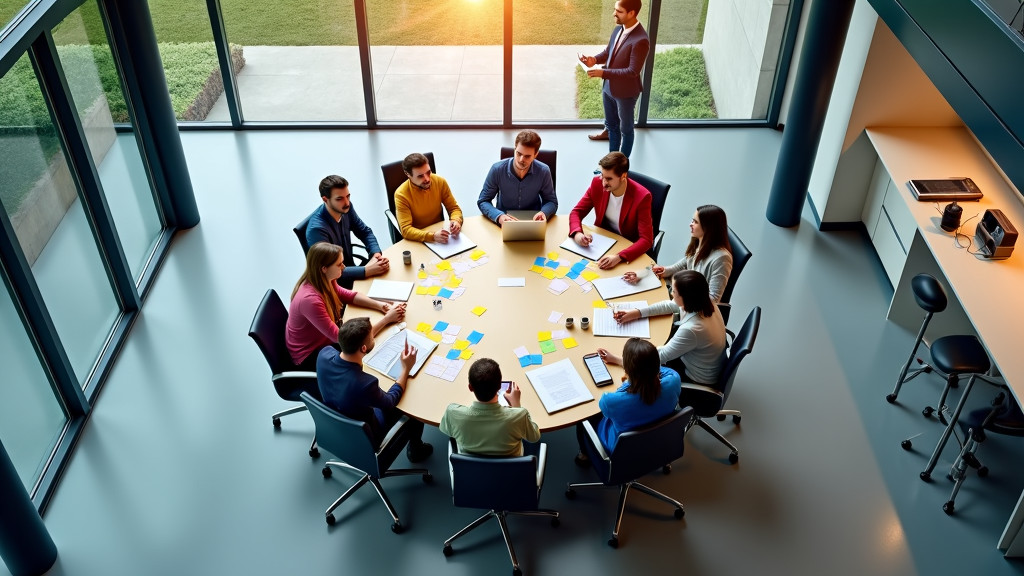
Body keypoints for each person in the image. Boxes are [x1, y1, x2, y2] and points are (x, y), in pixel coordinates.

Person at [317, 317, 432, 462]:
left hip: (337, 423)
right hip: (367, 434)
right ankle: (416, 450)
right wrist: (405, 368)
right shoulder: (364, 384)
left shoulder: (324, 354)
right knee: (410, 408)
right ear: (363, 349)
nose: (373, 338)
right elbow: (390, 401)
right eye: (372, 337)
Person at [285, 242, 405, 370]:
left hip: (326, 340)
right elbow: (346, 341)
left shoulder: (324, 279)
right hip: (311, 355)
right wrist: (387, 319)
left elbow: (348, 295)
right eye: (339, 264)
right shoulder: (309, 301)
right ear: (324, 268)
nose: (344, 267)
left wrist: (382, 306)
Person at [575, 338, 681, 465]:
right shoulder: (674, 381)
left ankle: (584, 456)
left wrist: (627, 382)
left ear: (628, 371)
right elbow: (656, 370)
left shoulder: (612, 401)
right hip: (657, 442)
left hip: (622, 453)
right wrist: (619, 361)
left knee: (586, 417)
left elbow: (605, 404)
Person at [612, 270, 726, 384]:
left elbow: (658, 357)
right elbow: (670, 305)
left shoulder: (693, 329)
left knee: (641, 376)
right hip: (698, 358)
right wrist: (637, 313)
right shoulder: (703, 300)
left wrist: (620, 360)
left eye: (674, 292)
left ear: (686, 298)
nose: (671, 293)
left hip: (695, 377)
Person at [579, 0, 650, 158]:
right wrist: (593, 60)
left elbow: (632, 71)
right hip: (608, 89)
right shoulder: (619, 28)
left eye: (619, 11)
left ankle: (621, 169)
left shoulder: (641, 40)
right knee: (612, 126)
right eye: (614, 9)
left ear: (632, 13)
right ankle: (610, 165)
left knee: (626, 131)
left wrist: (603, 73)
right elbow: (608, 52)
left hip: (625, 93)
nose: (614, 14)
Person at [624, 204, 733, 303]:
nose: (690, 224)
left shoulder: (722, 258)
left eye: (695, 222)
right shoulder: (699, 242)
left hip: (691, 308)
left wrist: (680, 296)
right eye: (692, 220)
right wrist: (661, 271)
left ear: (708, 227)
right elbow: (684, 264)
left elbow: (713, 298)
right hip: (680, 296)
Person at [439, 358, 541, 457]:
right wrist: (516, 405)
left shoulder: (453, 413)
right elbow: (534, 437)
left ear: (470, 387)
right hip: (509, 470)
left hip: (471, 470)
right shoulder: (519, 415)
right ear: (499, 386)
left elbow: (447, 430)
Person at [568, 152, 654, 269]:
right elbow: (576, 212)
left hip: (626, 246)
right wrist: (577, 233)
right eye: (602, 175)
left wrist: (619, 257)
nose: (603, 182)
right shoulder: (597, 184)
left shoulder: (642, 196)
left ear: (623, 176)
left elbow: (647, 240)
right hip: (602, 243)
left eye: (609, 179)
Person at [307, 174, 389, 289]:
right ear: (325, 199)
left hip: (352, 271)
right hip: (337, 284)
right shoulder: (316, 230)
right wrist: (366, 270)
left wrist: (376, 254)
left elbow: (365, 232)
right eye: (339, 199)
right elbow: (329, 271)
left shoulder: (346, 209)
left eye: (348, 196)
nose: (347, 203)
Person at [476, 130, 557, 226]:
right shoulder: (497, 169)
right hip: (504, 221)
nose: (521, 159)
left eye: (527, 156)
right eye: (518, 153)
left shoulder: (543, 171)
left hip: (533, 222)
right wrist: (499, 216)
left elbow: (551, 202)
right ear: (514, 149)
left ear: (535, 155)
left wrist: (544, 213)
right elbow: (483, 201)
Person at [394, 153, 464, 244]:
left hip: (440, 232)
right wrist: (432, 236)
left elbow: (454, 208)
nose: (427, 179)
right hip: (419, 239)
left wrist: (456, 220)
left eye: (428, 172)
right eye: (420, 176)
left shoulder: (440, 182)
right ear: (408, 174)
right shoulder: (401, 195)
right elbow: (406, 230)